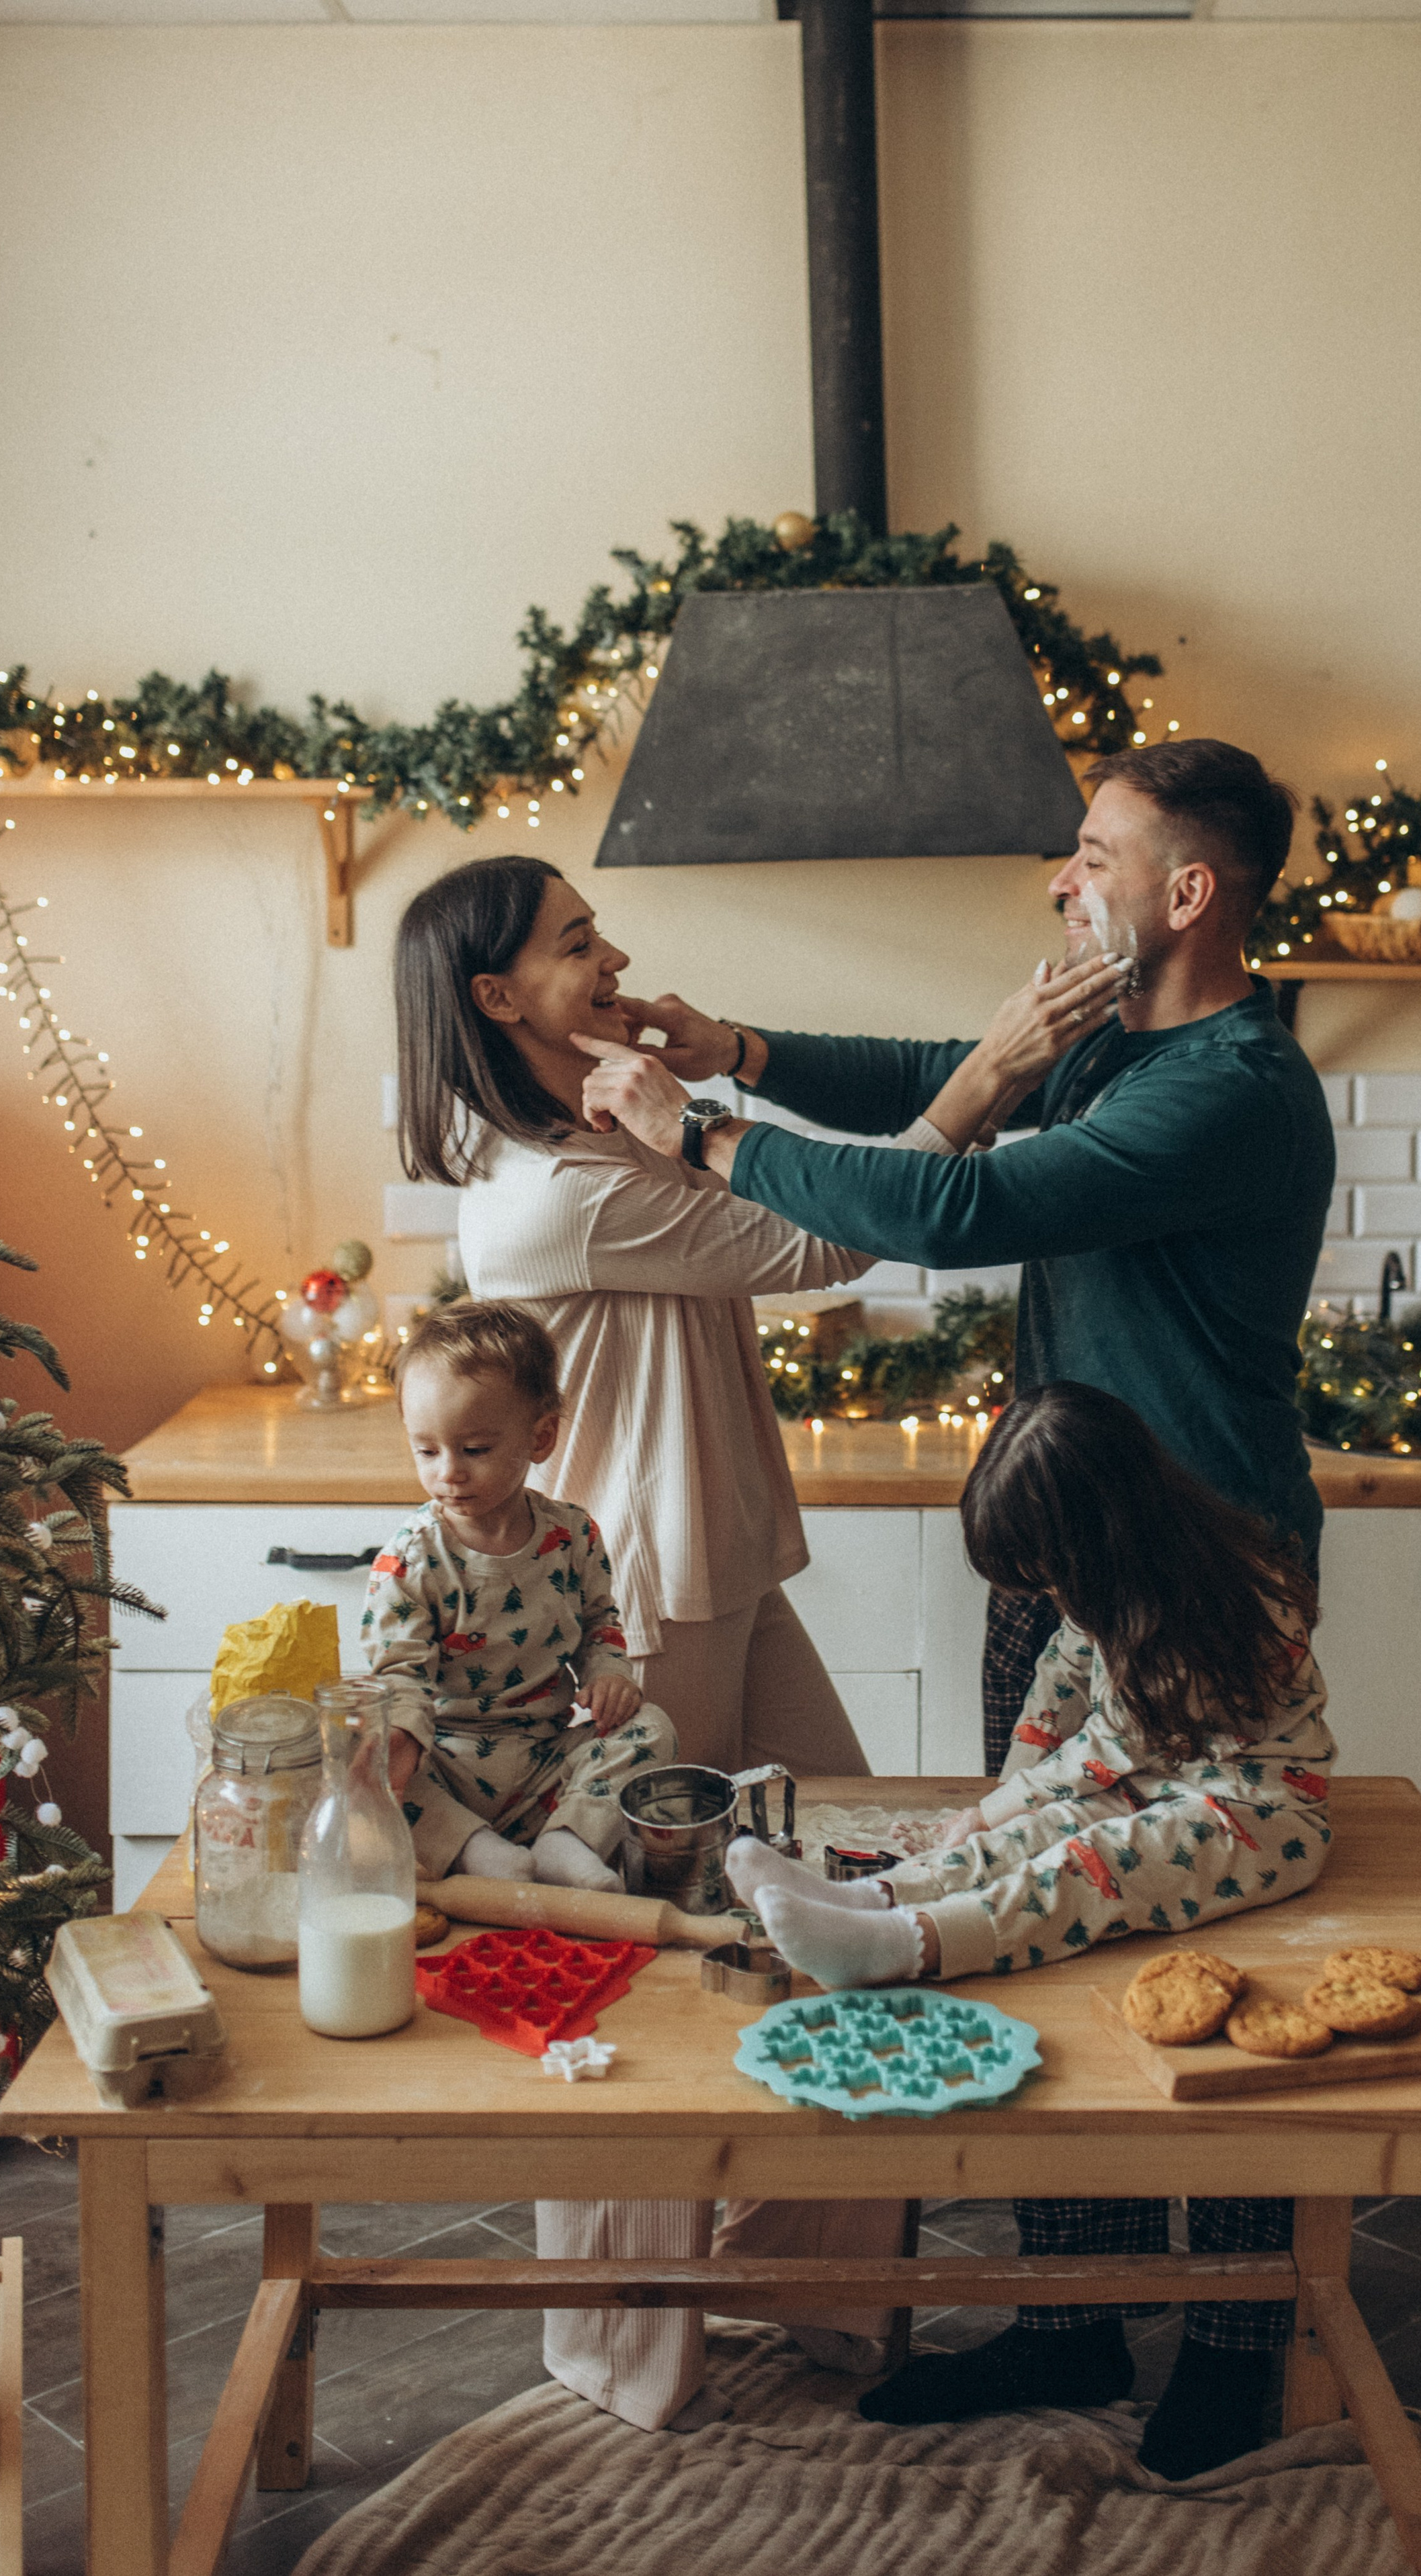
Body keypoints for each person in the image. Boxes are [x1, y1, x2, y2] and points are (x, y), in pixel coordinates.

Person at [392, 854, 910, 2434]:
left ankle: (800, 2280)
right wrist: (998, 1073)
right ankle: (614, 2348)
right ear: (496, 997)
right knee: (619, 1965)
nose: (610, 955)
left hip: (721, 1573)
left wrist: (698, 1084)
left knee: (835, 1894)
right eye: (573, 943)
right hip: (640, 1605)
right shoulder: (562, 1183)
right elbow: (835, 1243)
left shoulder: (590, 1137)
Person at [574, 736, 1335, 1763]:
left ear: (1190, 892)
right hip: (1070, 1529)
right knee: (1032, 1838)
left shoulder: (1231, 1087)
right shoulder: (1116, 1032)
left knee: (1169, 1863)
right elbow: (936, 1072)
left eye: (1096, 857)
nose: (1064, 883)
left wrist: (704, 1131)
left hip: (1199, 1549)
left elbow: (957, 1209)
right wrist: (740, 1050)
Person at [730, 1381, 1336, 2480]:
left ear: (1103, 1545)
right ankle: (875, 1906)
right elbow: (1047, 1747)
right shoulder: (1095, 1605)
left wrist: (1016, 1817)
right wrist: (960, 1840)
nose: (1050, 1599)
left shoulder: (1237, 1586)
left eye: (1054, 1577)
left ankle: (903, 1945)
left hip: (1250, 1813)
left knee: (1079, 1867)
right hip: (1148, 1781)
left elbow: (1099, 1772)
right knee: (1028, 1834)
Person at [363, 1300, 676, 1894]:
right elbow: (397, 1672)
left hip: (545, 1762)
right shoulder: (410, 1557)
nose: (448, 1472)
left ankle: (569, 1841)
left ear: (541, 1436)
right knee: (361, 1766)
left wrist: (611, 1672)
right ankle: (477, 1851)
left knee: (654, 1728)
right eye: (426, 1451)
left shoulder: (572, 1534)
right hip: (444, 1767)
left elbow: (600, 1622)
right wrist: (398, 1742)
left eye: (473, 1449)